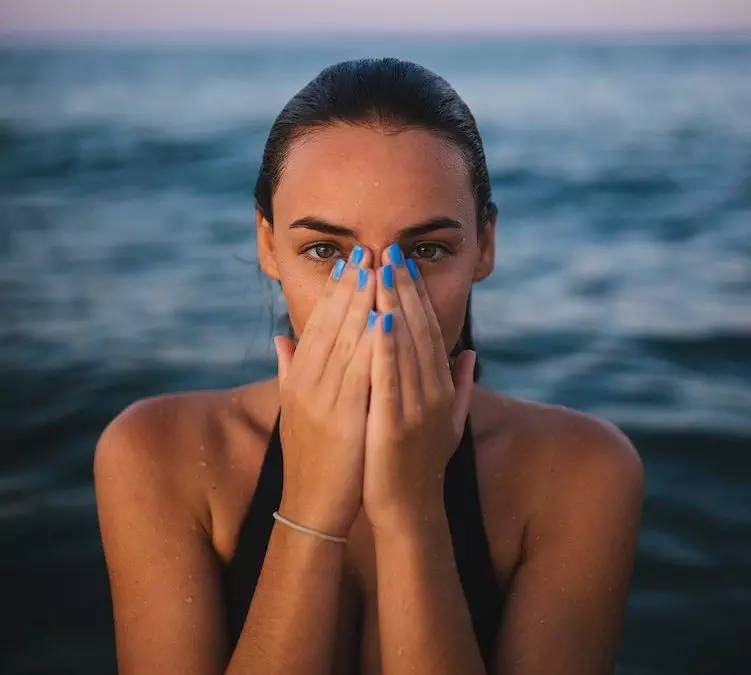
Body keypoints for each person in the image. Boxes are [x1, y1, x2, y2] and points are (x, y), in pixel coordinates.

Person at [94, 57, 644, 675]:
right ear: (267, 246)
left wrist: (412, 517)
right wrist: (308, 510)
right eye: (327, 251)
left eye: (427, 250)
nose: (380, 296)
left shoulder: (580, 471)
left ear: (484, 247)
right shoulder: (154, 454)